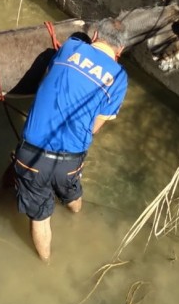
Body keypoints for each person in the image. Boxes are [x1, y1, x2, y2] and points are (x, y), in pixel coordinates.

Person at [12, 17, 130, 261]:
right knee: (73, 193)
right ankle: (77, 217)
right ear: (121, 50)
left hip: (30, 155)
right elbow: (96, 127)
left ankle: (44, 265)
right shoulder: (119, 77)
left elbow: (48, 78)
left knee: (40, 219)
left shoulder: (70, 47)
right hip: (69, 160)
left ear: (95, 36)